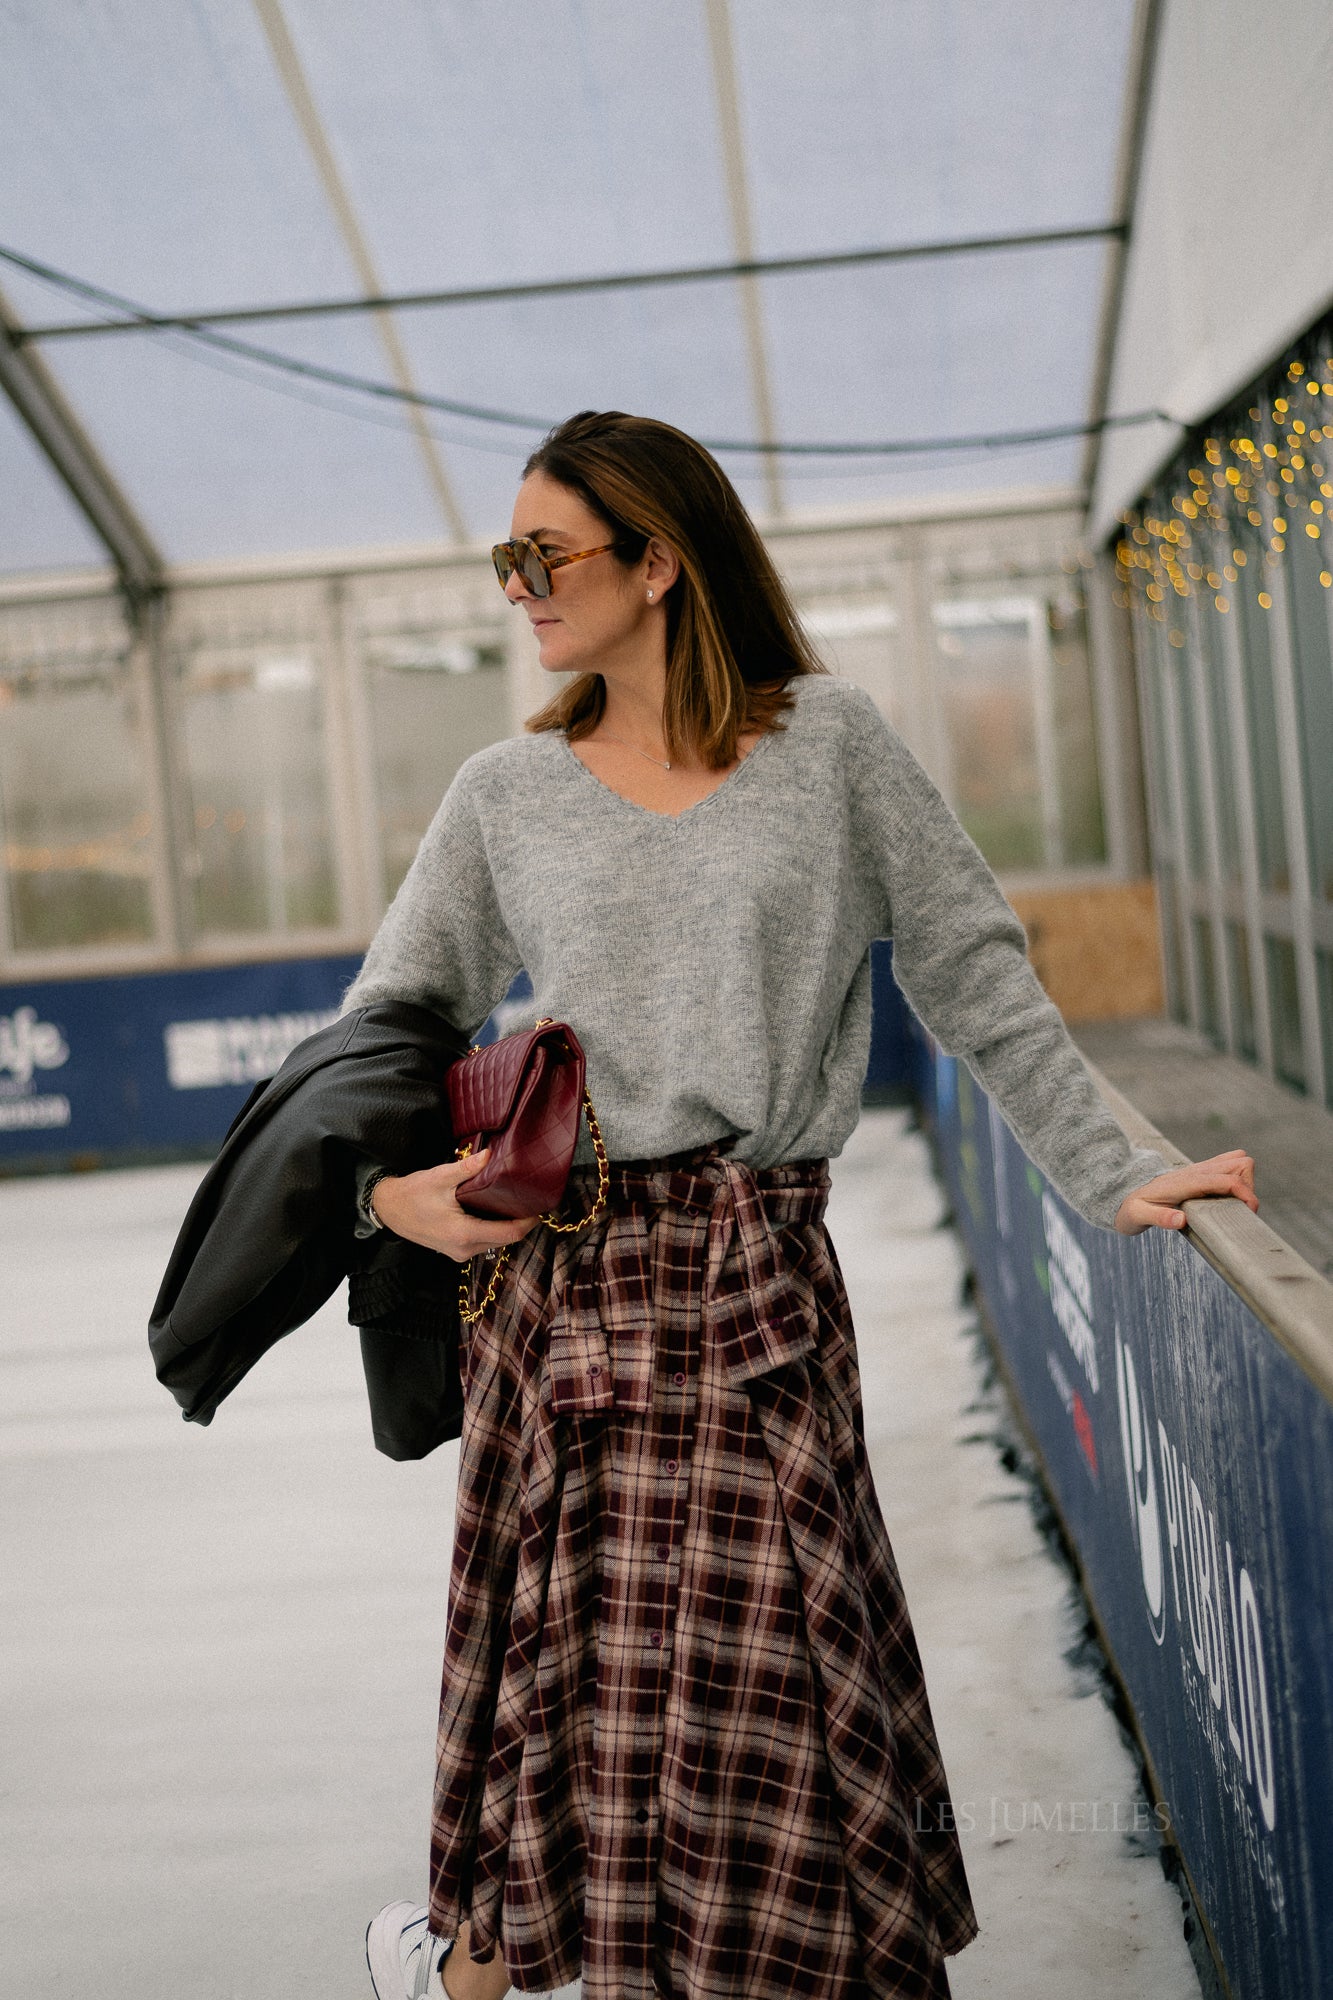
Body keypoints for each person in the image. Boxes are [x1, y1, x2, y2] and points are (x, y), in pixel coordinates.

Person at [353, 411, 1258, 2000]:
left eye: (542, 556)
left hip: (757, 1306)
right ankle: (462, 1968)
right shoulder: (504, 791)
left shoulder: (830, 747)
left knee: (773, 1730)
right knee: (577, 1727)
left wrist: (1110, 1170)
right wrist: (388, 1199)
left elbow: (971, 969)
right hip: (561, 1328)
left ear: (661, 560)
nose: (518, 589)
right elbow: (386, 1029)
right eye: (504, 561)